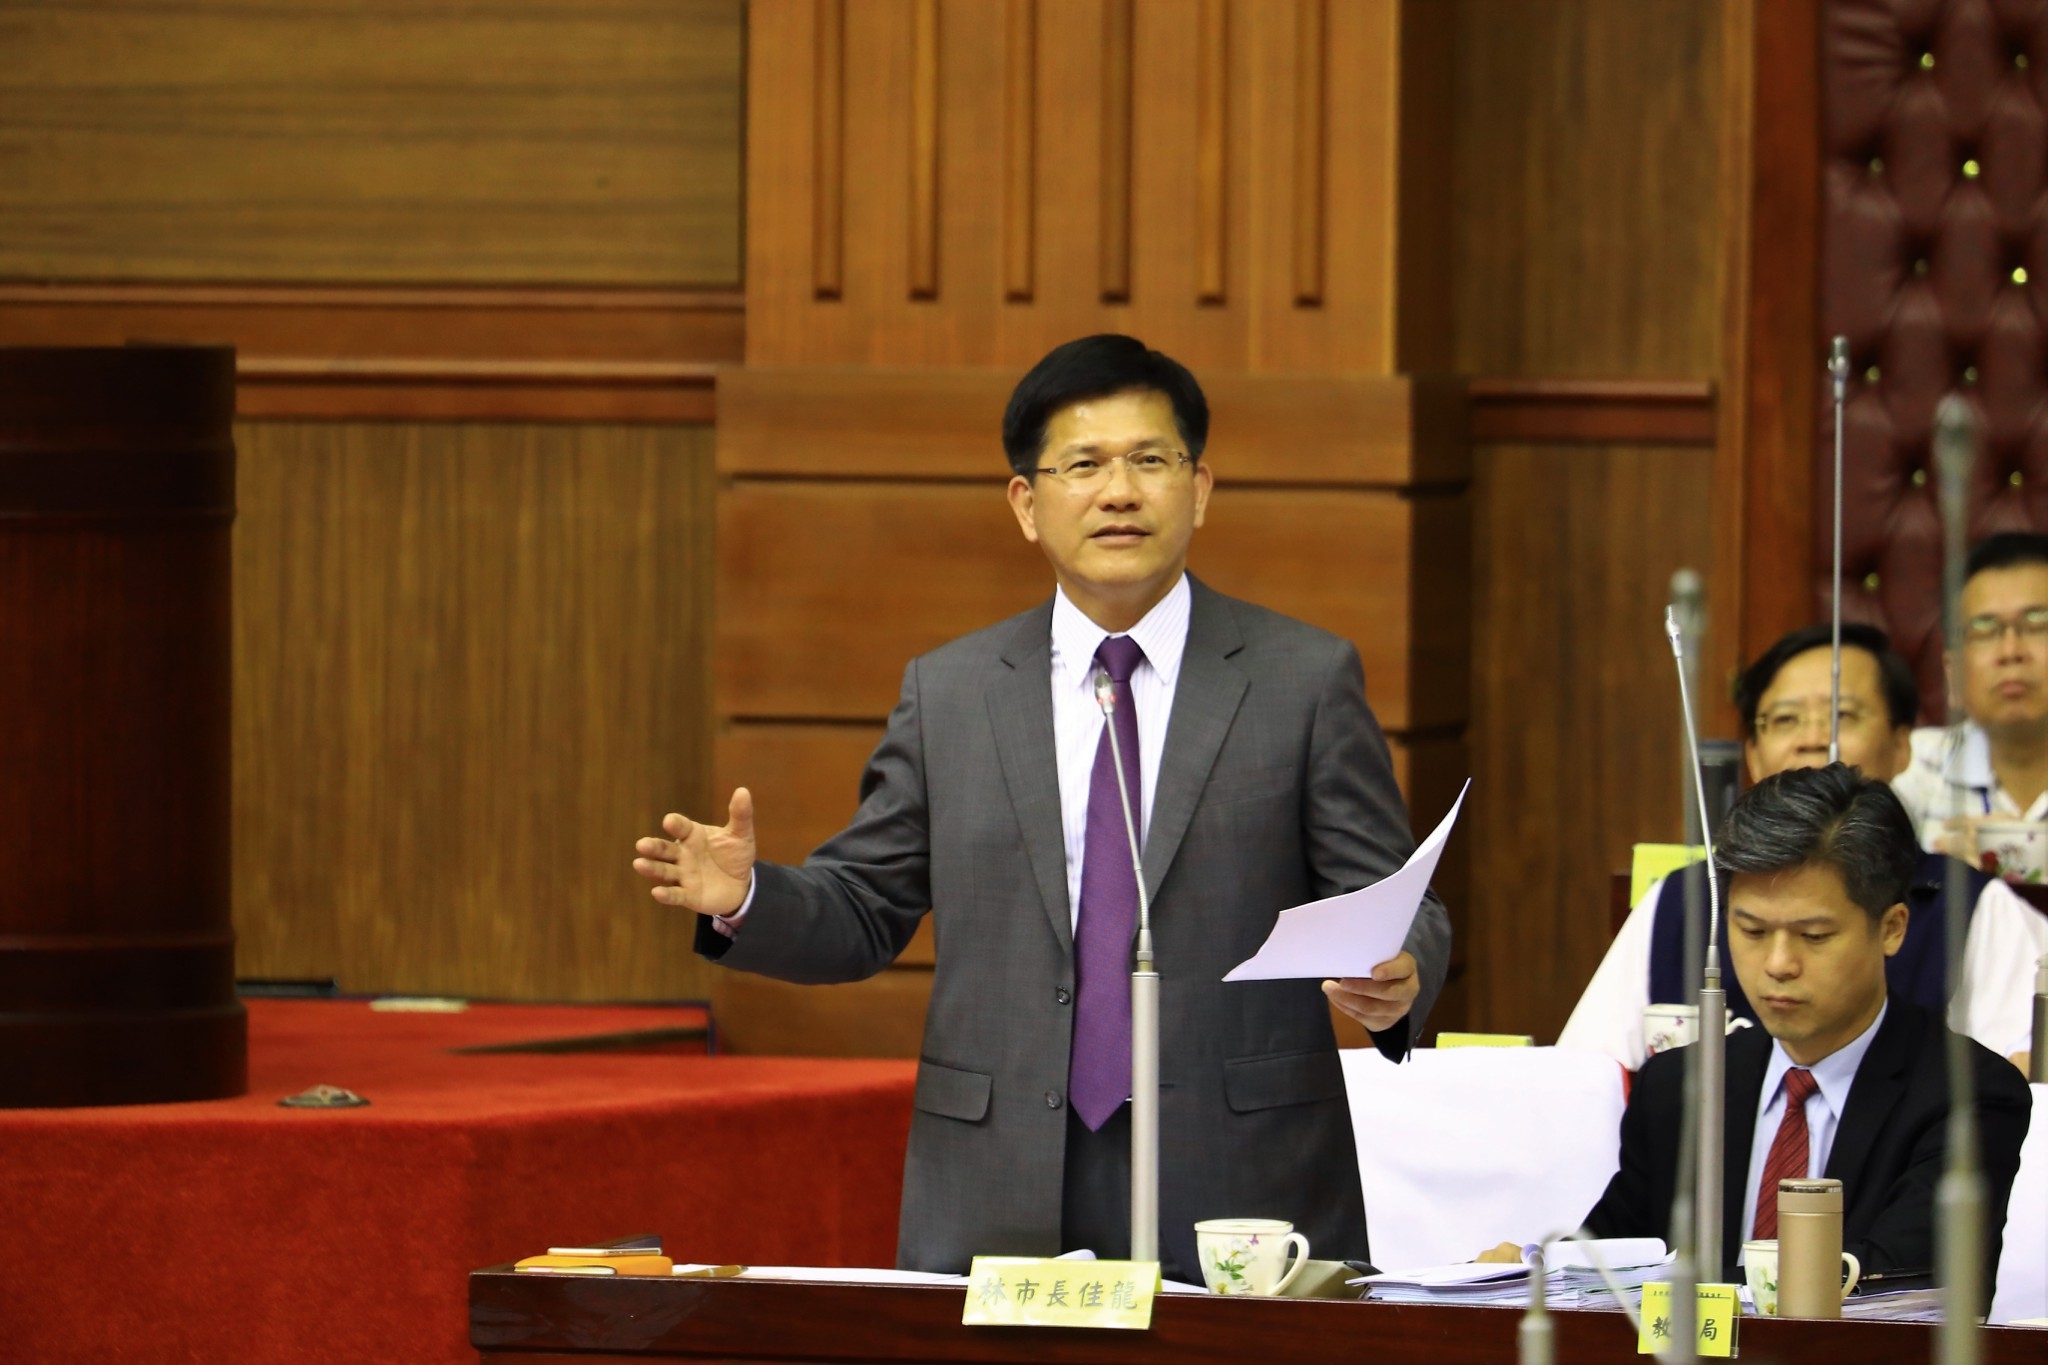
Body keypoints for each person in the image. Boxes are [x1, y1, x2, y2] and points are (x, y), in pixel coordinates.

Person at [631, 335, 1452, 1280]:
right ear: (1027, 503)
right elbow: (864, 908)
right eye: (1084, 465)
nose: (1119, 492)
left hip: (1239, 1174)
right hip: (1001, 1176)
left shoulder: (1301, 678)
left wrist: (1399, 970)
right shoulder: (952, 692)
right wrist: (746, 898)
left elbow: (1396, 897)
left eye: (1150, 460)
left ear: (1199, 488)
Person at [1539, 766, 2031, 1288]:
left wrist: (1677, 1288)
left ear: (1891, 929)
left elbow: (1895, 1278)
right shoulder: (1680, 1086)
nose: (1777, 964)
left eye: (1814, 936)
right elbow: (1611, 1258)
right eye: (1751, 930)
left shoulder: (1967, 1095)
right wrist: (1536, 1269)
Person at [1557, 622, 2046, 1074]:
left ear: (1903, 745)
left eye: (1841, 715)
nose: (1814, 739)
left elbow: (2021, 1091)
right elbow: (1585, 1081)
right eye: (1786, 719)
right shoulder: (1681, 901)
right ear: (1752, 753)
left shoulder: (1969, 907)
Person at [1893, 531, 2048, 846]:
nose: (2010, 651)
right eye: (1984, 630)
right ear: (1953, 674)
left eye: (2037, 624)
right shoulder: (1909, 768)